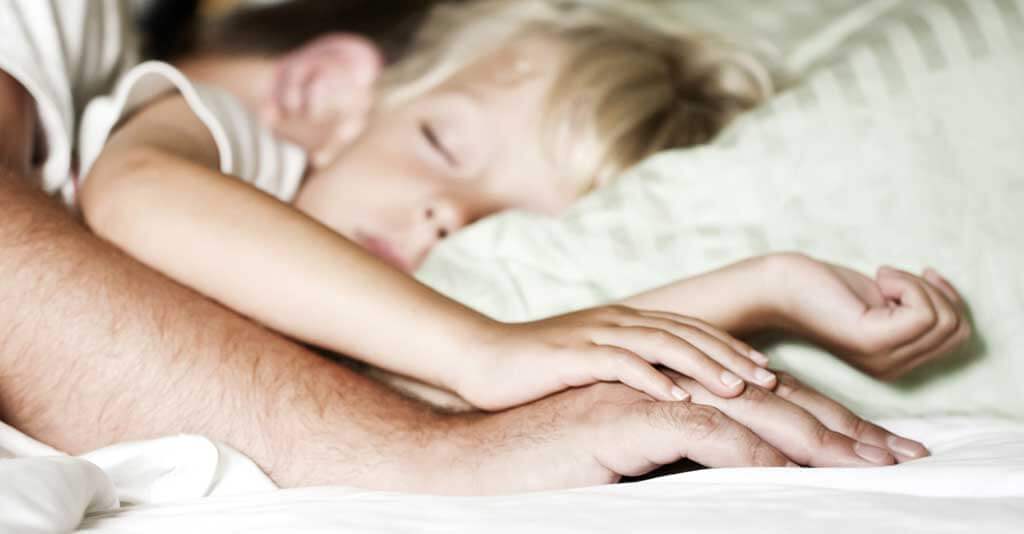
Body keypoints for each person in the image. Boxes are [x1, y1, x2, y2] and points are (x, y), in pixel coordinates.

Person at [0, 0, 944, 493]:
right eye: (442, 145)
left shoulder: (359, 284)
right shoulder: (254, 142)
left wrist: (761, 288)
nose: (443, 218)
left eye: (493, 221)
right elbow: (141, 198)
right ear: (328, 89)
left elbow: (512, 365)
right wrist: (479, 348)